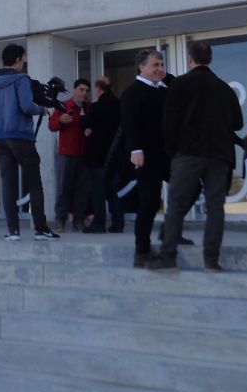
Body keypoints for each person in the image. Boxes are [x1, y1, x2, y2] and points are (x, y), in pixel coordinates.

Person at [158, 42, 243, 271]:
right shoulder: (224, 88)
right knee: (215, 208)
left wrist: (171, 152)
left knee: (176, 205)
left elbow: (169, 122)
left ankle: (168, 258)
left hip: (187, 154)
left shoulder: (180, 84)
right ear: (210, 59)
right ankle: (211, 260)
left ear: (190, 59)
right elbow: (237, 123)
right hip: (220, 155)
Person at [0, 43, 59, 239]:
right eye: (23, 60)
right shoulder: (21, 79)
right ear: (17, 60)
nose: (23, 63)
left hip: (0, 138)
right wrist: (42, 109)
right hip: (21, 137)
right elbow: (26, 106)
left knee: (7, 183)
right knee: (34, 181)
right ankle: (40, 228)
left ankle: (13, 231)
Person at [117, 48, 171, 266]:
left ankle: (170, 230)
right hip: (146, 157)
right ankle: (142, 250)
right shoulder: (132, 92)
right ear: (141, 67)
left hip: (167, 155)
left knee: (190, 188)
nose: (160, 69)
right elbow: (129, 123)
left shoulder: (164, 91)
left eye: (162, 64)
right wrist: (135, 150)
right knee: (149, 202)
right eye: (155, 65)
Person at [49, 78, 94, 230]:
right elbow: (51, 125)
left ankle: (78, 220)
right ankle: (60, 220)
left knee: (82, 190)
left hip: (84, 154)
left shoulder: (89, 108)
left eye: (87, 90)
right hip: (66, 153)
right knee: (63, 188)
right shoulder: (64, 106)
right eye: (81, 89)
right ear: (74, 90)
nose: (84, 93)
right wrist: (61, 121)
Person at [84, 76, 126, 232]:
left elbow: (87, 127)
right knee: (111, 189)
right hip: (115, 154)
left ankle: (99, 223)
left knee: (98, 191)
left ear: (97, 88)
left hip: (98, 155)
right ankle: (118, 222)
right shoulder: (120, 105)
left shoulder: (96, 107)